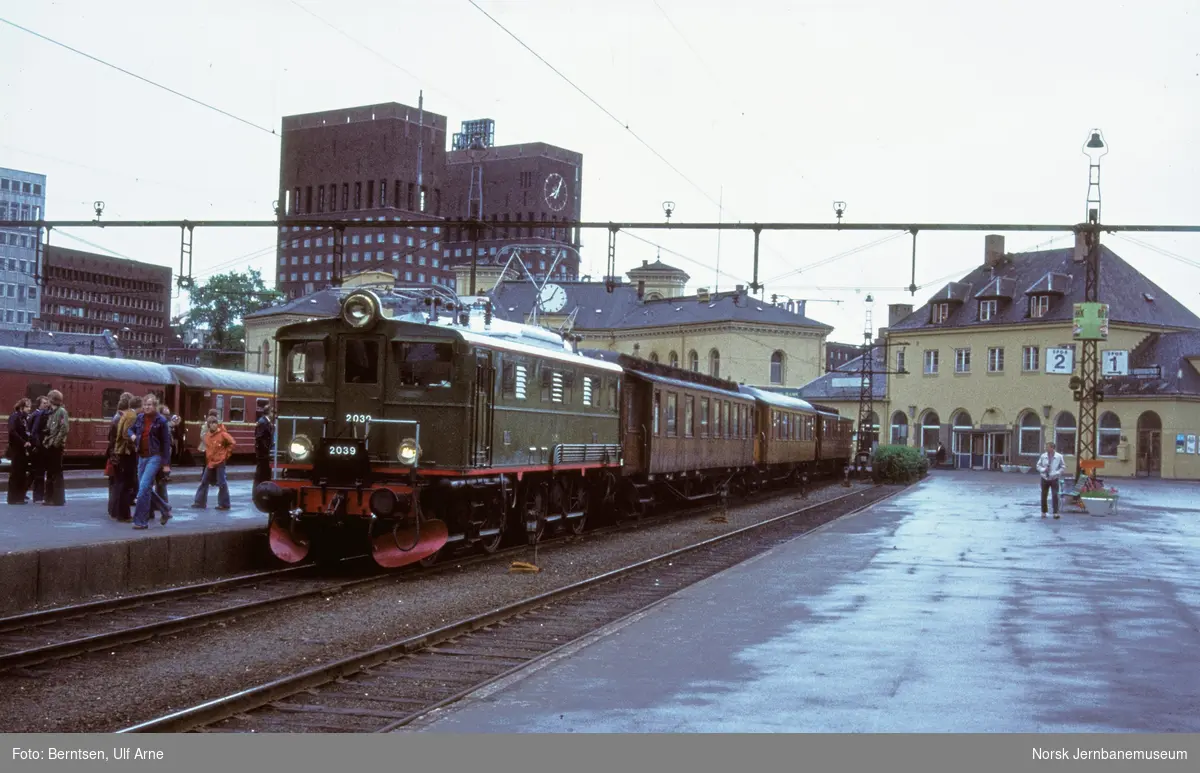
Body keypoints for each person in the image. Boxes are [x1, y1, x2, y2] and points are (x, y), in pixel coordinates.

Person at [128, 394, 173, 529]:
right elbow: (130, 429)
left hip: (155, 457)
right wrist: (133, 436)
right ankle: (165, 509)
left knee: (142, 489)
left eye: (150, 405)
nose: (147, 407)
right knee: (145, 488)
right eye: (145, 405)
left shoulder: (161, 421)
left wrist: (166, 464)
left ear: (155, 406)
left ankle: (140, 521)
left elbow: (166, 443)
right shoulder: (140, 418)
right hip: (142, 457)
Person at [192, 415, 235, 510]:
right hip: (211, 462)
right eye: (212, 423)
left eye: (215, 423)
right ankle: (199, 502)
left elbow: (232, 443)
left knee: (222, 483)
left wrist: (225, 455)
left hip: (220, 462)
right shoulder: (207, 436)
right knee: (204, 481)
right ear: (208, 425)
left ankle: (224, 504)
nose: (214, 425)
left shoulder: (223, 434)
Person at [105, 393, 133, 519]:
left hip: (114, 453)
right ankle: (117, 511)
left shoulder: (116, 417)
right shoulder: (121, 419)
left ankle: (113, 510)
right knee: (119, 484)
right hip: (118, 454)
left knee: (115, 483)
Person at [112, 395, 140, 522]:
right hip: (126, 453)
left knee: (124, 483)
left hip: (122, 452)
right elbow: (125, 433)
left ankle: (120, 512)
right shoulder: (132, 416)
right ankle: (124, 514)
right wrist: (135, 443)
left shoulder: (127, 414)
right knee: (127, 483)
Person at [41, 390, 69, 506]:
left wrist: (56, 443)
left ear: (52, 400)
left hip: (55, 447)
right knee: (50, 472)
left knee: (56, 472)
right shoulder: (52, 412)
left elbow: (64, 429)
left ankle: (57, 499)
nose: (46, 401)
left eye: (48, 399)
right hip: (49, 445)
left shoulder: (61, 412)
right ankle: (49, 497)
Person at [6, 398, 33, 504]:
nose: (29, 409)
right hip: (16, 449)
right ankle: (13, 498)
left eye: (30, 406)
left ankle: (20, 497)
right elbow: (12, 431)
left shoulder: (24, 418)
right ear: (21, 407)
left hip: (23, 449)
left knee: (22, 473)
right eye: (27, 406)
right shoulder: (15, 417)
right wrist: (23, 442)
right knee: (16, 473)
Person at [1036, 441, 1066, 519]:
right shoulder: (1043, 456)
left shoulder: (1059, 456)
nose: (1046, 448)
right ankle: (1043, 512)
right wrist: (1043, 469)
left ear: (1052, 448)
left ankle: (1055, 512)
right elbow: (1038, 465)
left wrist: (1057, 473)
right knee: (1044, 495)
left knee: (1055, 495)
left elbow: (1063, 467)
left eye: (1047, 447)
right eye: (1046, 447)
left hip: (1054, 478)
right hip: (1044, 478)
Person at [27, 396, 50, 503]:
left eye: (47, 403)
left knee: (34, 472)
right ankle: (38, 496)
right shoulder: (39, 415)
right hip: (39, 447)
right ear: (39, 404)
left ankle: (23, 492)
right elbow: (35, 431)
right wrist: (38, 445)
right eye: (44, 403)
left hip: (36, 446)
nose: (46, 405)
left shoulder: (35, 414)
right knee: (39, 472)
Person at [254, 403, 275, 488]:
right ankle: (258, 490)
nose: (274, 415)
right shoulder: (263, 422)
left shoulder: (265, 421)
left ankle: (263, 489)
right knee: (261, 473)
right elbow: (260, 438)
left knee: (263, 473)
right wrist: (267, 449)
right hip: (263, 454)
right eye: (273, 412)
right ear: (269, 412)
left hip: (264, 453)